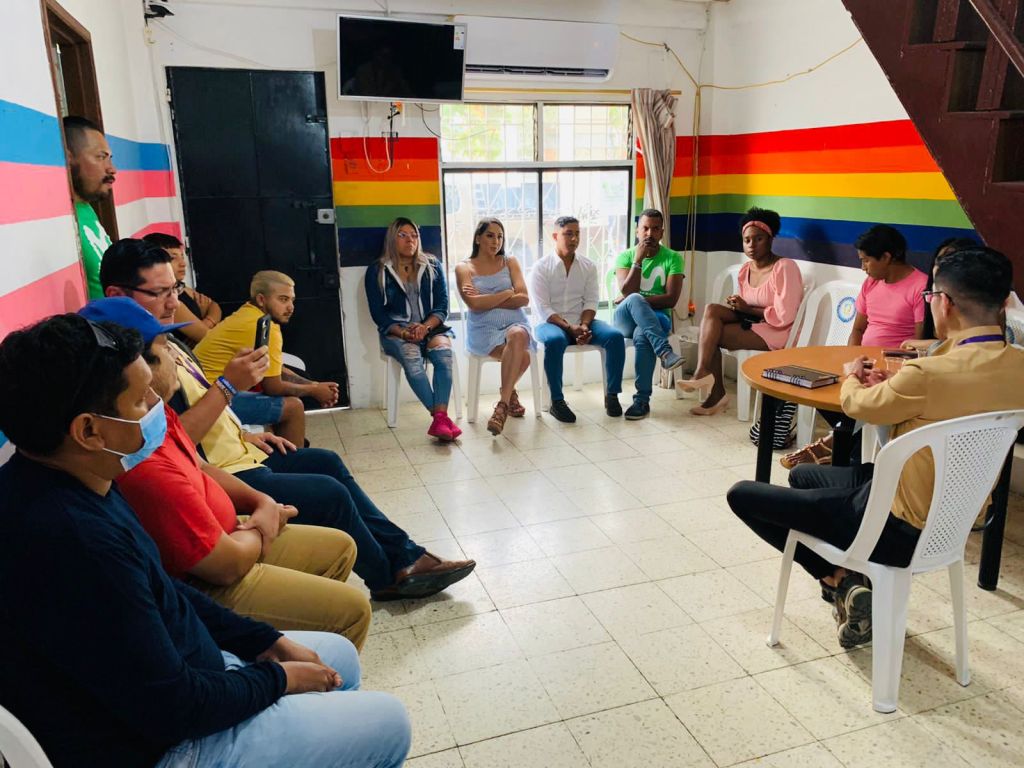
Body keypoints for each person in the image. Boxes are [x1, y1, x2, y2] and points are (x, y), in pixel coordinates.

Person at [0, 313, 410, 768]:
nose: (157, 406)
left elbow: (164, 589)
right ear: (89, 431)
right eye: (140, 400)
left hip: (190, 675)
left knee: (340, 659)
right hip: (168, 744)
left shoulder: (78, 475)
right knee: (390, 722)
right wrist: (278, 679)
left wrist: (265, 641)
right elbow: (175, 707)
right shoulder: (75, 541)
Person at [100, 241, 477, 602]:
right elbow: (171, 443)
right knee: (328, 493)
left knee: (326, 461)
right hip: (219, 471)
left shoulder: (166, 341)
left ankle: (405, 554)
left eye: (176, 289)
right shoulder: (129, 367)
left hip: (236, 452)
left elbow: (196, 409)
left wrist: (245, 435)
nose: (173, 303)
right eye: (160, 292)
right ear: (117, 295)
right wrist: (230, 387)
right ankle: (387, 577)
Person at [726, 246, 1024, 649]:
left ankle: (839, 579)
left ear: (946, 303)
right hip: (957, 520)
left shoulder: (927, 373)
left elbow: (857, 406)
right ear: (1003, 303)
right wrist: (894, 384)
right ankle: (851, 586)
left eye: (931, 297)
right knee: (803, 475)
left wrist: (853, 376)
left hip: (896, 527)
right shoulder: (1016, 367)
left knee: (743, 495)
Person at [81, 297, 372, 651]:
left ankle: (304, 646)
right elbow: (225, 567)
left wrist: (262, 503)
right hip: (219, 570)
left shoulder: (155, 410)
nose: (175, 355)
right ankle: (303, 660)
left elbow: (199, 465)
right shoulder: (141, 460)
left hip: (233, 529)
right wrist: (263, 525)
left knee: (340, 544)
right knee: (352, 608)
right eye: (164, 347)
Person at [781, 224, 928, 468]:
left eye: (866, 260)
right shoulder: (871, 283)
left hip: (892, 369)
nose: (863, 267)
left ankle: (835, 444)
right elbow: (857, 329)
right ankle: (843, 444)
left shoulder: (919, 286)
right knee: (818, 386)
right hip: (864, 363)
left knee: (862, 400)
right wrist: (853, 361)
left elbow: (917, 346)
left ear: (886, 257)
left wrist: (883, 370)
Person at [678, 207, 804, 416]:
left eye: (758, 239)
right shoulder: (745, 270)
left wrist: (748, 309)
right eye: (747, 240)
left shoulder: (784, 267)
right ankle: (704, 374)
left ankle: (712, 387)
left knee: (710, 335)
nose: (751, 245)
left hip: (778, 331)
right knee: (711, 311)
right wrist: (739, 305)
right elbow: (749, 308)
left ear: (770, 239)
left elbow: (785, 316)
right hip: (753, 322)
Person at [194, 270, 333, 443]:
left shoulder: (250, 313)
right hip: (210, 398)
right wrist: (314, 391)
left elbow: (275, 369)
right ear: (261, 299)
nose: (291, 307)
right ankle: (295, 458)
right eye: (283, 299)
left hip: (207, 391)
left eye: (292, 300)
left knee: (287, 395)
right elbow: (273, 387)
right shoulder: (264, 326)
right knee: (293, 407)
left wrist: (314, 385)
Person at [364, 217, 461, 442]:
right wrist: (404, 332)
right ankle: (441, 418)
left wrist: (425, 327)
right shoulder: (378, 270)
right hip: (397, 331)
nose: (411, 240)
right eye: (403, 235)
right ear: (392, 239)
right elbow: (378, 314)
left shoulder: (432, 265)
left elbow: (442, 307)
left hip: (431, 328)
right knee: (411, 358)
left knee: (444, 356)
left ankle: (440, 418)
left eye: (414, 235)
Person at [530, 215, 626, 421]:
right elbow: (543, 308)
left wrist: (583, 326)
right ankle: (557, 402)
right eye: (568, 234)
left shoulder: (588, 266)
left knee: (615, 337)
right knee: (554, 340)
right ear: (555, 236)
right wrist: (569, 328)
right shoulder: (541, 267)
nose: (574, 239)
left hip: (581, 321)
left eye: (577, 234)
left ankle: (612, 395)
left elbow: (591, 300)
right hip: (549, 324)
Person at [455, 218, 535, 436]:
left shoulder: (510, 262)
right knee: (523, 356)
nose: (496, 241)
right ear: (477, 238)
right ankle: (509, 394)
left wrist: (487, 299)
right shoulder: (463, 268)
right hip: (483, 329)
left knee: (518, 335)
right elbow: (474, 305)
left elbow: (524, 298)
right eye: (490, 236)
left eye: (500, 236)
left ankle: (501, 406)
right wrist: (507, 293)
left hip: (515, 322)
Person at [612, 208, 686, 420]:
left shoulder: (673, 258)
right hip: (625, 319)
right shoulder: (626, 256)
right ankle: (665, 353)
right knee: (634, 299)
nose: (649, 234)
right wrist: (638, 260)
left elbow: (671, 299)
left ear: (662, 232)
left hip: (658, 317)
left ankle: (641, 401)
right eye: (645, 228)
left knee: (643, 333)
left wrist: (635, 300)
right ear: (637, 231)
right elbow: (628, 292)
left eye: (655, 229)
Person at [64, 115, 116, 299]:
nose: (112, 169)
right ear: (68, 158)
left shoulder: (86, 208)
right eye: (101, 157)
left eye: (109, 158)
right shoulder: (62, 220)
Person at [143, 231, 223, 346]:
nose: (183, 264)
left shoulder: (181, 288)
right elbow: (208, 337)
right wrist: (209, 324)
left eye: (182, 256)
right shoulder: (169, 302)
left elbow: (214, 306)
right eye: (172, 258)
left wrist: (208, 321)